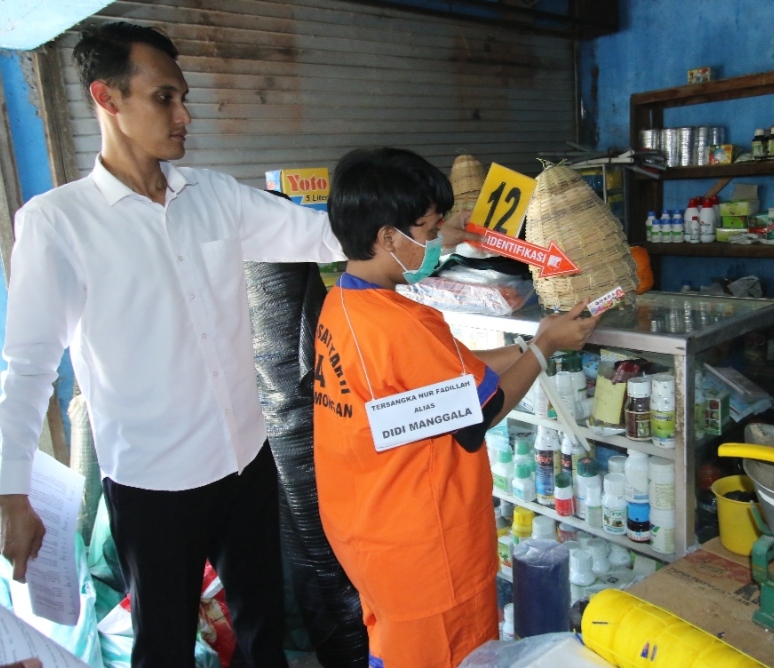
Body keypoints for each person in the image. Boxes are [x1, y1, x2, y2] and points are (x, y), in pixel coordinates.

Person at [0, 22, 470, 668]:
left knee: (262, 630)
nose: (184, 114)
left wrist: (425, 231)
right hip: (152, 483)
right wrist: (11, 493)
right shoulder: (58, 224)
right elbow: (25, 368)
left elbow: (324, 238)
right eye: (164, 98)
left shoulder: (212, 198)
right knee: (162, 644)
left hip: (245, 464)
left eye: (182, 96)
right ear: (107, 99)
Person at [313, 147, 601, 667]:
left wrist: (530, 341)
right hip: (429, 555)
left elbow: (441, 374)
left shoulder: (343, 303)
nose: (432, 244)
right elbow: (478, 417)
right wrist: (546, 346)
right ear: (386, 238)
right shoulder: (402, 324)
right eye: (425, 232)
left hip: (371, 539)